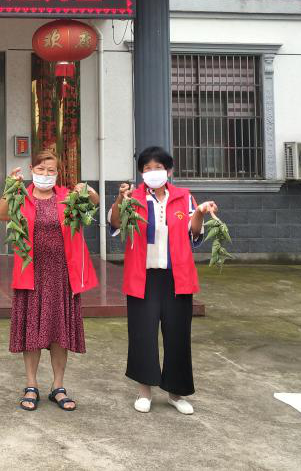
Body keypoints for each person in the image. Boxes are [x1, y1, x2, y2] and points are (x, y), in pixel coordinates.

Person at [108, 145, 217, 415]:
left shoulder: (183, 196)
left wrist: (200, 212)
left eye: (158, 167)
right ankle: (144, 391)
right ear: (141, 173)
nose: (153, 172)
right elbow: (116, 223)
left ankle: (175, 393)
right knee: (142, 334)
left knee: (178, 335)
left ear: (168, 171)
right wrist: (120, 199)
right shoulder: (132, 197)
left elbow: (194, 233)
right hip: (142, 277)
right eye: (147, 168)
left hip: (176, 277)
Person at [0, 150, 99, 413]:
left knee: (59, 332)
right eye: (40, 169)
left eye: (51, 170)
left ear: (58, 173)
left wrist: (87, 190)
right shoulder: (22, 195)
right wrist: (11, 187)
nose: (45, 174)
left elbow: (93, 204)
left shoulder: (67, 196)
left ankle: (58, 386)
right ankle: (31, 385)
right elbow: (1, 214)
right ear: (31, 169)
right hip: (31, 274)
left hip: (62, 275)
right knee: (32, 332)